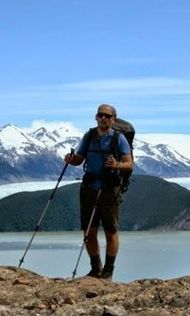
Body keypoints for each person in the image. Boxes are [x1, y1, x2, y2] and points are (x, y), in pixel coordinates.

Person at [64, 104, 133, 280]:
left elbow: (129, 164)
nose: (103, 118)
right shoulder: (89, 136)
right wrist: (71, 160)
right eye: (100, 115)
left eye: (107, 116)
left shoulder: (119, 139)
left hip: (110, 188)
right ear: (96, 117)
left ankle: (108, 271)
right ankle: (96, 268)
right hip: (89, 187)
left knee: (111, 230)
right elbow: (79, 159)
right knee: (89, 231)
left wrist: (116, 165)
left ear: (113, 119)